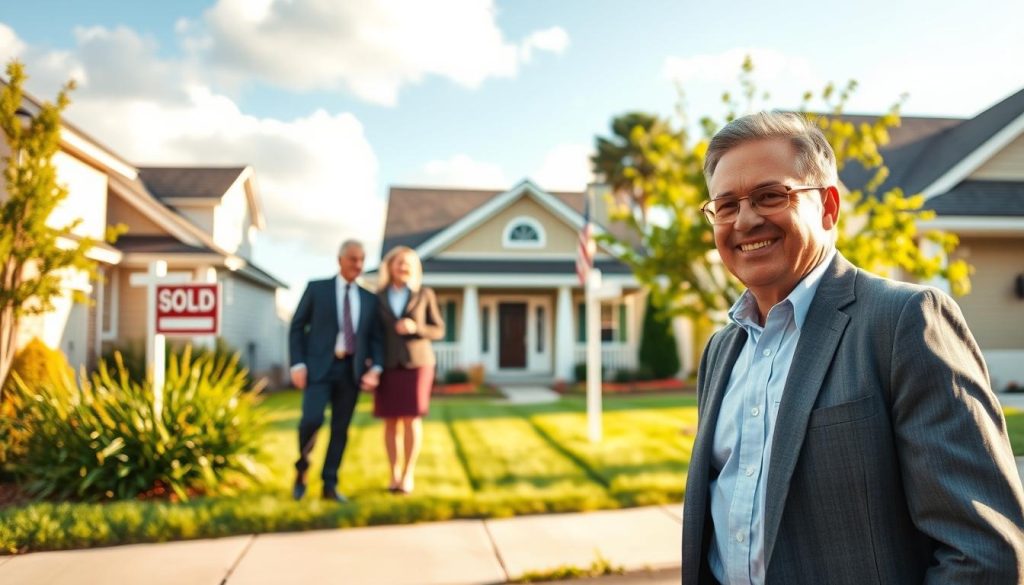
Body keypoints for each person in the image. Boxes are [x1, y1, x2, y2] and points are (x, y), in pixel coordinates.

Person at [681, 112, 1024, 584]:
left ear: (827, 207)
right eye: (726, 205)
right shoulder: (721, 350)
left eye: (770, 196)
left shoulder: (905, 321)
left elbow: (983, 551)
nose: (746, 220)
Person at [288, 239, 384, 503]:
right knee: (311, 420)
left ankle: (330, 484)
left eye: (362, 260)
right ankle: (302, 469)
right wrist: (298, 364)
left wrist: (376, 367)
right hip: (319, 368)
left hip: (350, 371)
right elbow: (297, 327)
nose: (358, 264)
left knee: (340, 429)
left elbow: (376, 338)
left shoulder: (369, 298)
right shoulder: (317, 289)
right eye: (353, 259)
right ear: (340, 260)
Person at [373, 246, 445, 494]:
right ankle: (393, 473)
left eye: (407, 264)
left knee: (411, 420)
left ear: (414, 268)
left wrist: (416, 327)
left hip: (418, 364)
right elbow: (373, 333)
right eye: (399, 263)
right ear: (390, 266)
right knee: (390, 422)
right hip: (388, 366)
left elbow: (438, 329)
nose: (403, 267)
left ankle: (408, 474)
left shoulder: (424, 294)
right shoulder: (378, 296)